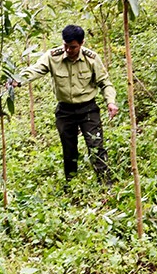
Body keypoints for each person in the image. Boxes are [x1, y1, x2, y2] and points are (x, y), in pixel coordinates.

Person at [11, 24, 119, 187]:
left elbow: (105, 82)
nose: (69, 50)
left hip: (88, 108)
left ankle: (105, 184)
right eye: (66, 46)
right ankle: (72, 184)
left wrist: (110, 102)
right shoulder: (52, 56)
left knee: (95, 146)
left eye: (73, 47)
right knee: (69, 150)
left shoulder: (91, 58)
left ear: (82, 43)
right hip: (65, 110)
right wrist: (17, 80)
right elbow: (35, 70)